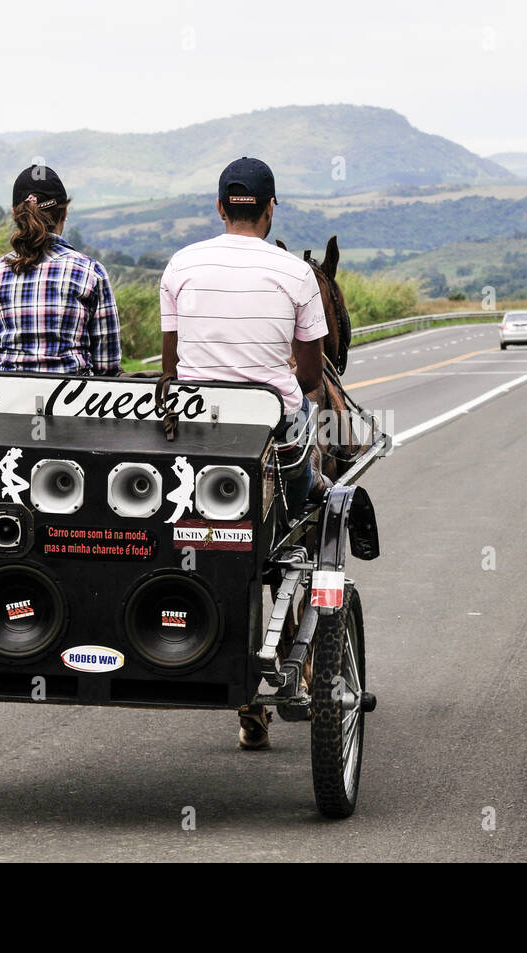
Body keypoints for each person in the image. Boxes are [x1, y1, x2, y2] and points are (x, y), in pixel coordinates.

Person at [159, 156, 328, 751]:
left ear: (220, 207)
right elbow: (309, 377)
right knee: (309, 509)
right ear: (270, 208)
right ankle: (304, 538)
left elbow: (171, 368)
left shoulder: (181, 265)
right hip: (271, 435)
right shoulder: (296, 275)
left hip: (199, 438)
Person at [0, 164, 121, 375]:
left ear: (15, 215)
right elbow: (106, 366)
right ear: (65, 212)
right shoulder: (90, 272)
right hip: (72, 400)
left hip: (7, 399)